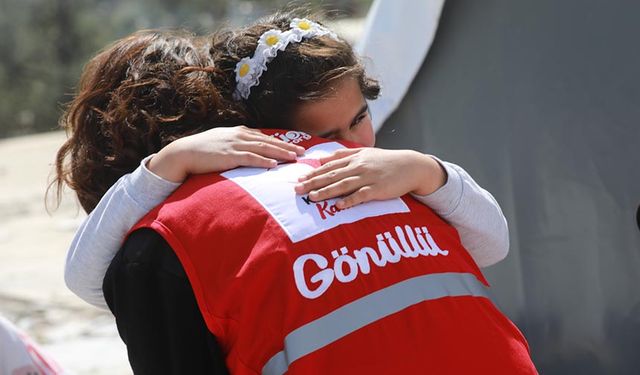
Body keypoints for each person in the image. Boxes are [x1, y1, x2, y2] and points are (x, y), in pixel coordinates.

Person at [54, 12, 535, 374]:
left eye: (359, 119)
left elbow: (94, 279)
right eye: (326, 134)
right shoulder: (391, 179)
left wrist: (157, 173)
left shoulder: (171, 236)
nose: (347, 148)